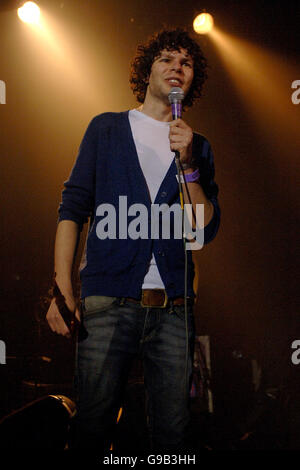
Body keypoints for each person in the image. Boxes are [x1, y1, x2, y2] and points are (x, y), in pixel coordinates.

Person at [46, 28, 220, 453]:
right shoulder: (106, 129)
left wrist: (190, 167)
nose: (177, 68)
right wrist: (62, 292)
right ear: (147, 71)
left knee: (173, 439)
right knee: (92, 427)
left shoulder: (196, 146)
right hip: (108, 304)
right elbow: (72, 209)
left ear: (193, 80)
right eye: (167, 59)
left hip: (174, 311)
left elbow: (201, 229)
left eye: (187, 63)